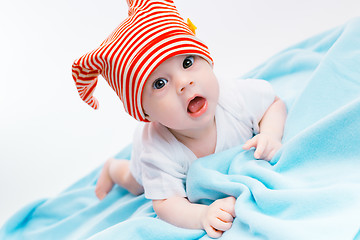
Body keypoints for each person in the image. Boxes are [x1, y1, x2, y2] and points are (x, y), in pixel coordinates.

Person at [72, 0, 287, 238]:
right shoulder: (156, 151)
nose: (184, 83)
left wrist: (270, 134)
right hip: (142, 164)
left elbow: (273, 104)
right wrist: (201, 215)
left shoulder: (233, 96)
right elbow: (166, 204)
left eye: (187, 63)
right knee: (134, 183)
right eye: (159, 83)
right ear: (145, 114)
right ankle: (112, 168)